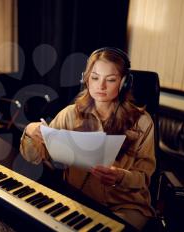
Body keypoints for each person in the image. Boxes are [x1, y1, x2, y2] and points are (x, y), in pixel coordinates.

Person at [20, 47, 156, 231]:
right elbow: (34, 157)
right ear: (86, 78)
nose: (100, 86)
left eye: (111, 80)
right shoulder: (70, 114)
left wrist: (120, 176)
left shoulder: (142, 122)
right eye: (95, 77)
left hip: (126, 205)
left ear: (124, 83)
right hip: (80, 200)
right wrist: (30, 131)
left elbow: (144, 178)